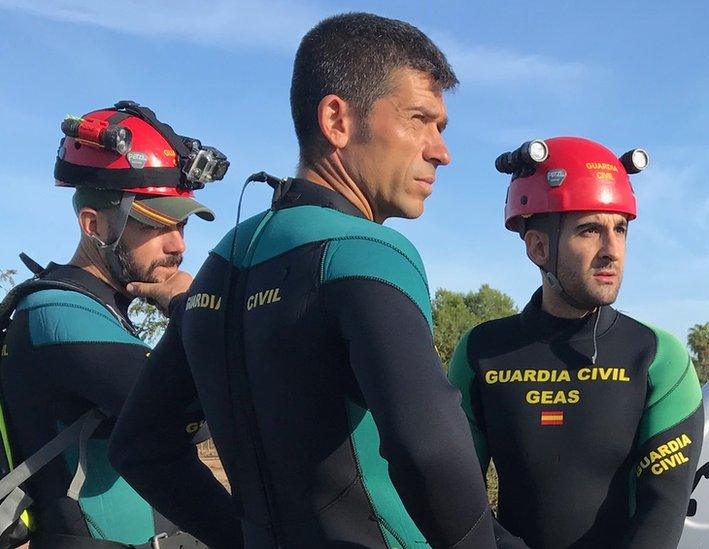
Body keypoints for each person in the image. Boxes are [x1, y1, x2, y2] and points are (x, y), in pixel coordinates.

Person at [110, 13, 518, 548]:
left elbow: (142, 446)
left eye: (440, 128)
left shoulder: (223, 263)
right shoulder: (367, 253)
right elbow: (430, 452)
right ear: (337, 120)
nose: (441, 151)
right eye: (421, 120)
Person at [448, 136, 704, 548]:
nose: (612, 251)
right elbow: (456, 501)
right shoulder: (480, 352)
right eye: (590, 230)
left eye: (620, 229)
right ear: (538, 247)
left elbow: (662, 512)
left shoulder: (658, 359)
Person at [0, 101, 226, 548]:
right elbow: (201, 409)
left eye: (182, 224)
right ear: (93, 225)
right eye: (156, 225)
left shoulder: (104, 311)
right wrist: (191, 306)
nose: (178, 244)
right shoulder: (56, 312)